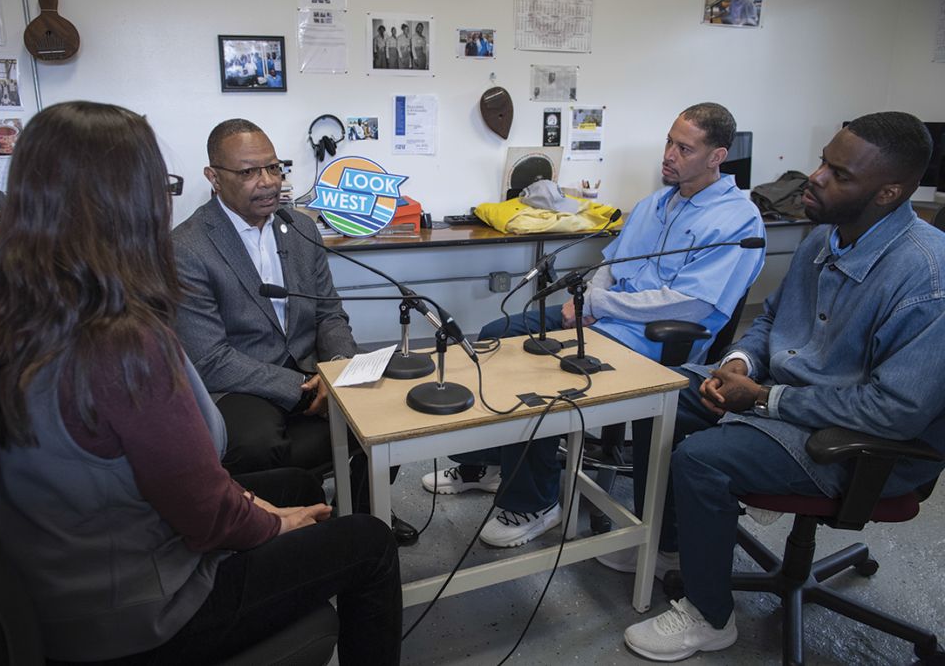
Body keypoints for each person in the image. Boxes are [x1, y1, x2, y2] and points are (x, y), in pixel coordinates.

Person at [0, 101, 402, 665]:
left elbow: (177, 482)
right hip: (142, 617)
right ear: (126, 202)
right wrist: (268, 524)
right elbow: (205, 511)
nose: (166, 200)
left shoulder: (23, 314)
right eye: (159, 183)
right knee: (368, 543)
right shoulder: (123, 342)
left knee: (295, 485)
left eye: (274, 168)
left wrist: (266, 502)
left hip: (64, 587)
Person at [622, 112, 945, 661]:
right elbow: (771, 321)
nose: (815, 177)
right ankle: (675, 546)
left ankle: (709, 616)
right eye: (823, 160)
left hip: (863, 442)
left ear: (888, 192)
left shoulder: (927, 276)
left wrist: (767, 399)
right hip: (786, 398)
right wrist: (743, 363)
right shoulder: (824, 238)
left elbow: (895, 411)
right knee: (659, 392)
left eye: (839, 174)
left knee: (705, 459)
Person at [422, 103, 765, 549]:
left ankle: (536, 502)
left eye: (684, 148)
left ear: (717, 156)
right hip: (605, 316)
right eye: (669, 141)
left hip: (657, 340)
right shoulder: (656, 203)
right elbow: (611, 263)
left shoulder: (737, 219)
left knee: (537, 374)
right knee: (495, 334)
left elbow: (694, 305)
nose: (669, 155)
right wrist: (586, 303)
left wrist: (600, 304)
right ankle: (491, 464)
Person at [172, 118, 418, 544]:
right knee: (258, 443)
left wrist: (339, 368)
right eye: (248, 172)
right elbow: (210, 359)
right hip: (240, 382)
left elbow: (329, 313)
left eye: (274, 168)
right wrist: (306, 385)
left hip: (310, 367)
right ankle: (281, 528)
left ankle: (363, 510)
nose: (267, 183)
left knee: (384, 410)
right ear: (213, 177)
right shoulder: (186, 248)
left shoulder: (301, 228)